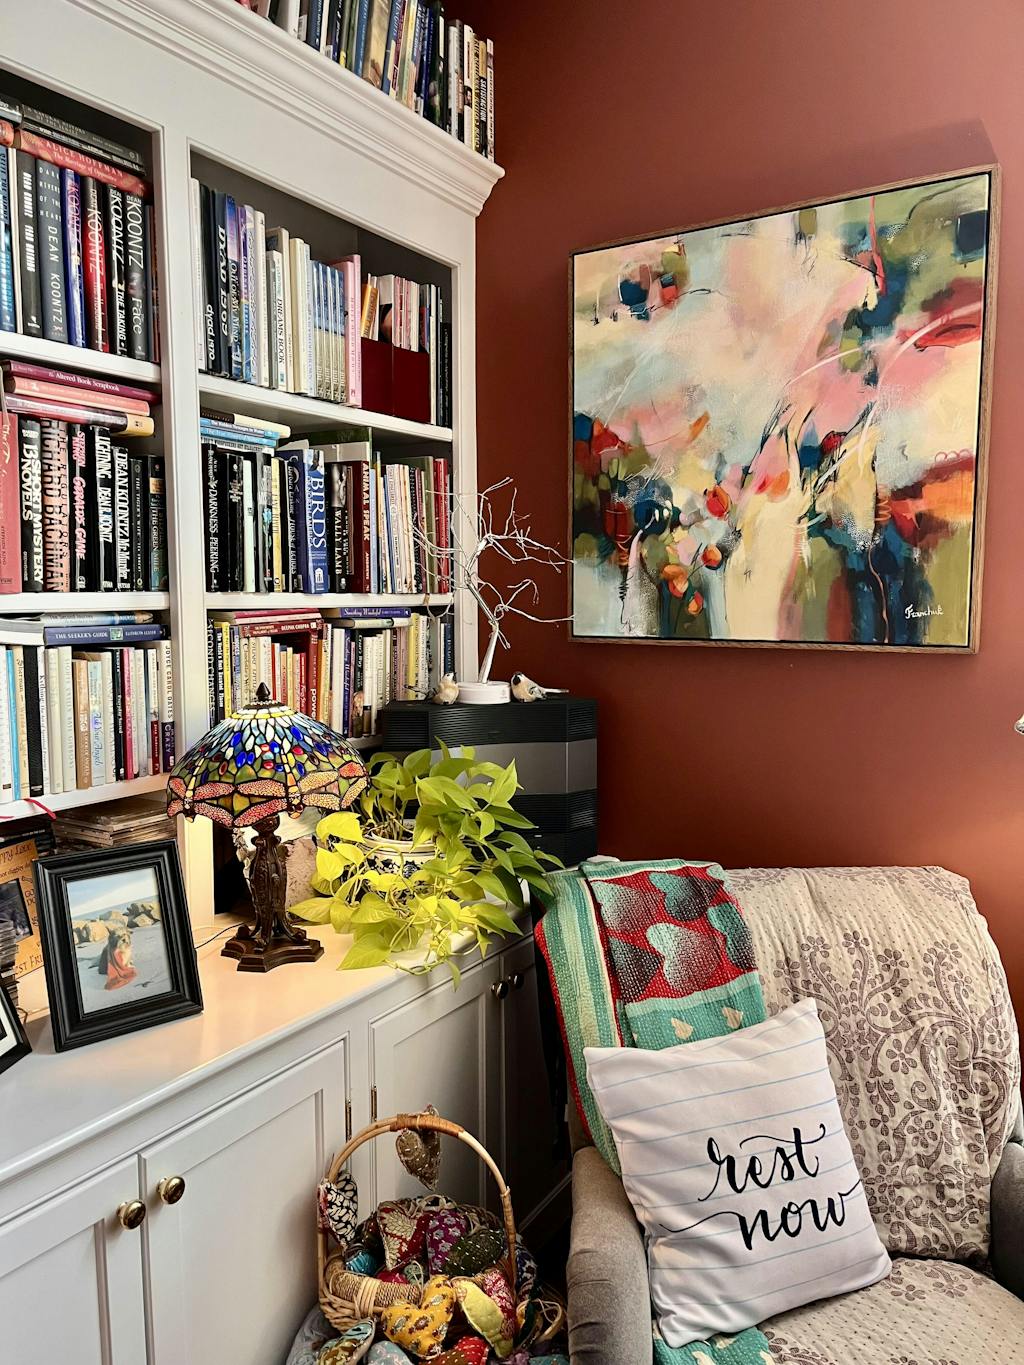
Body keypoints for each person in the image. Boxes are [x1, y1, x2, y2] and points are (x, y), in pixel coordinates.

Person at [97, 926, 137, 991]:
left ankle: (126, 964)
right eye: (119, 936)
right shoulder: (113, 951)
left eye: (124, 935)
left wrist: (128, 963)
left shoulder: (127, 948)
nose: (123, 938)